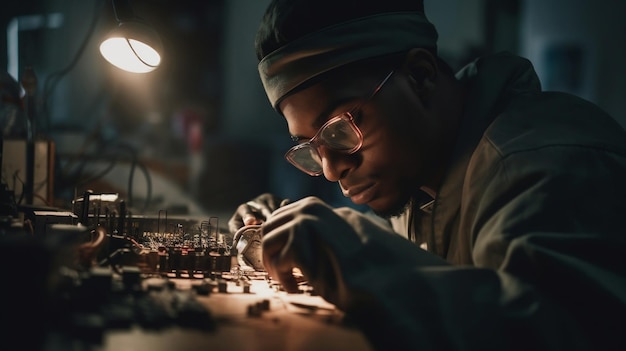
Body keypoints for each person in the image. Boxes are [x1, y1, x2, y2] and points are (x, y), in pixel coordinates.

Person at [228, 0, 626, 350]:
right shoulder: (423, 174)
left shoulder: (547, 163)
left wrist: (361, 257)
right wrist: (291, 228)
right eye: (311, 148)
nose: (331, 170)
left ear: (419, 76)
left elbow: (555, 333)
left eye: (340, 129)